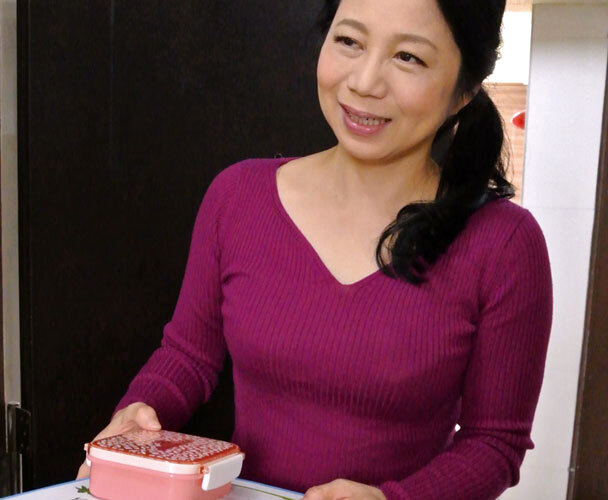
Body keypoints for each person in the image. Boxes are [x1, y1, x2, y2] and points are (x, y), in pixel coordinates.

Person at [77, 0, 553, 498]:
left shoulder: (505, 245)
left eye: (408, 57)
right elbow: (188, 357)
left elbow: (494, 444)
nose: (364, 82)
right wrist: (139, 412)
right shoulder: (237, 197)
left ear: (465, 90)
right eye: (349, 41)